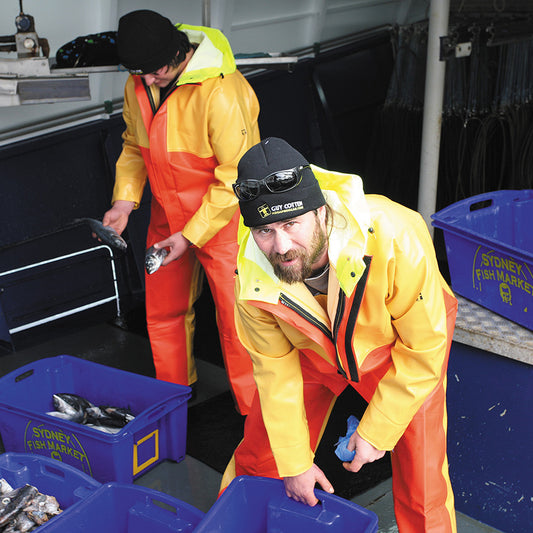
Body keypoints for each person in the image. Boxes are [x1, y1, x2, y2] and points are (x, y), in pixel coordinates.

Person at [221, 137, 458, 532]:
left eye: (290, 224)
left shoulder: (396, 236)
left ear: (320, 211)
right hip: (311, 350)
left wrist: (378, 430)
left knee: (423, 478)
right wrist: (295, 464)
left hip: (398, 347)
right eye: (263, 231)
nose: (280, 247)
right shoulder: (251, 278)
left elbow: (424, 347)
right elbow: (274, 375)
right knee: (264, 455)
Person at [102, 9, 260, 414]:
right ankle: (173, 400)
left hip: (225, 222)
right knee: (163, 312)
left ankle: (257, 414)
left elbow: (237, 179)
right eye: (140, 74)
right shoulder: (139, 81)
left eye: (154, 72)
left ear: (178, 54)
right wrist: (124, 201)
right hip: (165, 218)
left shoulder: (222, 93)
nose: (147, 81)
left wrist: (191, 235)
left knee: (239, 322)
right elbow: (135, 146)